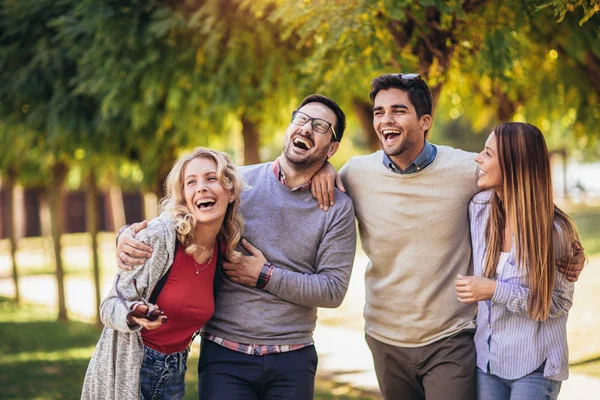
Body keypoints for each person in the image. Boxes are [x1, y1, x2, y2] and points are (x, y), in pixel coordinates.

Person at [309, 74, 585, 400]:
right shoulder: (355, 173)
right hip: (385, 337)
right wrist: (322, 167)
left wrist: (568, 244)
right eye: (379, 111)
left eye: (398, 110)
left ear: (425, 121)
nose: (385, 120)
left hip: (452, 337)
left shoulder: (469, 169)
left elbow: (523, 183)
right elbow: (316, 190)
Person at [116, 94, 357, 399]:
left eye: (320, 126)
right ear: (289, 127)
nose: (307, 128)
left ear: (332, 148)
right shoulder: (236, 185)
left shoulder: (336, 207)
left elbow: (333, 290)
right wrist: (126, 234)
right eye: (301, 119)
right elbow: (176, 221)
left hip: (292, 359)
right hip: (224, 357)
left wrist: (264, 275)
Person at [82, 147, 244, 400]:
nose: (201, 187)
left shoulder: (223, 248)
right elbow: (110, 304)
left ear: (231, 191)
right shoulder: (160, 237)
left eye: (211, 178)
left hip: (174, 373)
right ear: (184, 196)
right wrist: (134, 315)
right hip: (131, 369)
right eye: (191, 182)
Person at [455, 122, 583, 400]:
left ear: (515, 165)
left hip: (534, 367)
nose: (478, 158)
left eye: (488, 154)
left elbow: (558, 303)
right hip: (487, 362)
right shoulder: (479, 211)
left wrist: (493, 291)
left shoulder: (554, 232)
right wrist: (332, 165)